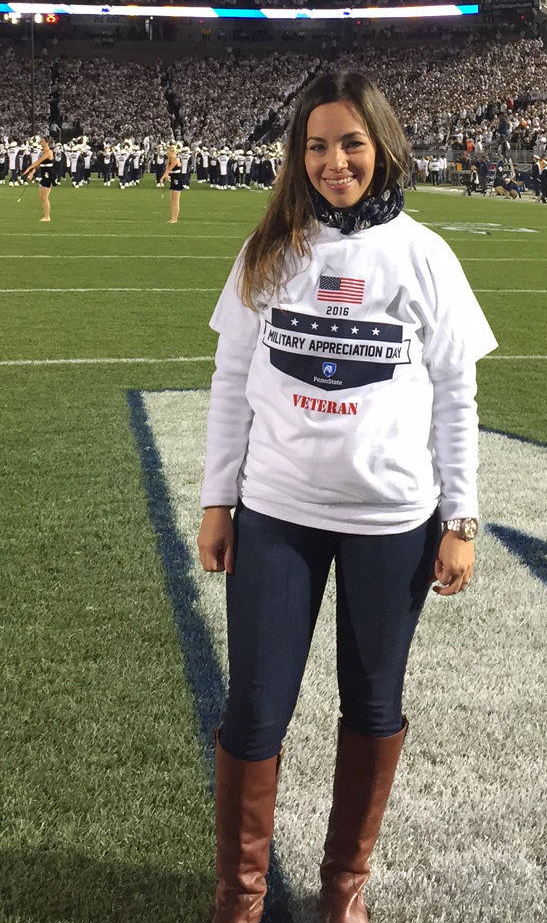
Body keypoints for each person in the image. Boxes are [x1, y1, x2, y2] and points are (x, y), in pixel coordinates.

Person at [197, 71, 497, 923]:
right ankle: (240, 899)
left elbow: (456, 396)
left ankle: (343, 890)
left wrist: (461, 519)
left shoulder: (424, 256)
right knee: (254, 708)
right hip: (277, 514)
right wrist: (220, 503)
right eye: (318, 145)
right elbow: (229, 382)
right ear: (298, 155)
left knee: (373, 705)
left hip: (393, 523)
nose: (335, 161)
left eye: (352, 143)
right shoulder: (270, 249)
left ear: (383, 147)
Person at [21, 136, 54, 222]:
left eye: (42, 141)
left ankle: (47, 217)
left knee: (45, 196)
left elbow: (38, 161)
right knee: (41, 197)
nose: (40, 143)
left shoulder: (49, 152)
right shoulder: (42, 152)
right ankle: (45, 214)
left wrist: (29, 168)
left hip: (48, 175)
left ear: (46, 142)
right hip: (43, 175)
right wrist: (32, 172)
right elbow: (39, 165)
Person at [159, 144, 184, 223]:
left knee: (175, 200)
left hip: (177, 179)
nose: (167, 153)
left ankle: (175, 219)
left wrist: (162, 178)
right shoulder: (168, 159)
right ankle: (172, 217)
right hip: (173, 178)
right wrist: (166, 176)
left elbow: (169, 169)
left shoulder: (176, 159)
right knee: (171, 199)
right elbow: (167, 169)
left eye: (168, 152)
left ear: (172, 152)